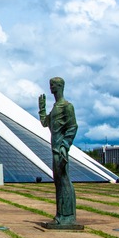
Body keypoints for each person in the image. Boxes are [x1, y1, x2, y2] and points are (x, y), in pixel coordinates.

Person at [39, 77, 78, 226]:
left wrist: (65, 145)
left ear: (60, 86)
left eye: (53, 85)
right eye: (50, 85)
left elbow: (73, 127)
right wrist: (41, 109)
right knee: (59, 182)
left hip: (60, 149)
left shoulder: (67, 106)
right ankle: (61, 215)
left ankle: (67, 216)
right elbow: (45, 123)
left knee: (64, 181)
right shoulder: (55, 107)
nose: (50, 88)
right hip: (55, 148)